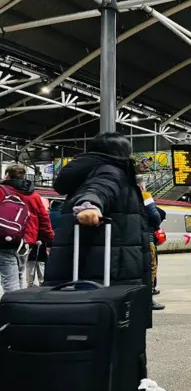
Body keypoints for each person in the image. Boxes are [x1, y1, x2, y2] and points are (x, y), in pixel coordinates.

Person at [44, 133, 153, 322]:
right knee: (115, 327)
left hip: (99, 262)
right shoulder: (110, 171)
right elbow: (99, 188)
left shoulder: (90, 172)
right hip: (112, 268)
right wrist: (89, 205)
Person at [0, 163, 54, 292]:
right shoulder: (34, 196)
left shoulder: (1, 191)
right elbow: (44, 219)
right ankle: (18, 299)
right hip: (26, 241)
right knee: (19, 272)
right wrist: (49, 238)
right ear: (24, 176)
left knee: (9, 276)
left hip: (4, 238)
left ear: (7, 175)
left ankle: (13, 305)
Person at [136, 175, 165, 310]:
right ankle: (149, 298)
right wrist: (156, 227)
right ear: (142, 185)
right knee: (150, 267)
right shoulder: (145, 195)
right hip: (146, 238)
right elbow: (155, 215)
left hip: (129, 238)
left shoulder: (125, 195)